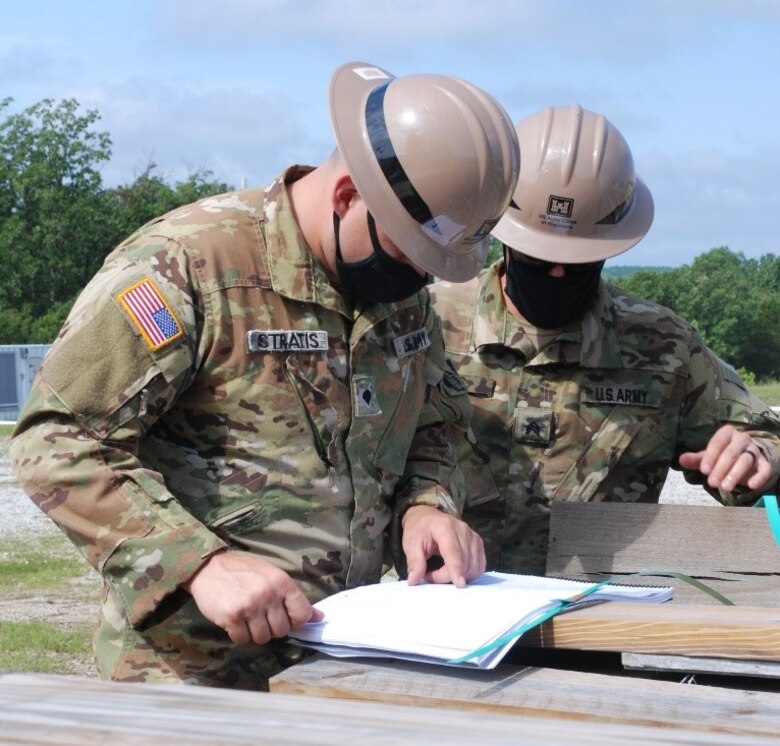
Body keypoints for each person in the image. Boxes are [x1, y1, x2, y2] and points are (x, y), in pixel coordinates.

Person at [10, 61, 519, 688]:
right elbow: (56, 439)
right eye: (412, 256)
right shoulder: (187, 265)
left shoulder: (398, 292)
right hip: (188, 678)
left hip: (340, 667)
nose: (421, 279)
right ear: (346, 197)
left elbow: (434, 424)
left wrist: (426, 508)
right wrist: (199, 566)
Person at [430, 103, 780, 575]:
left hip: (592, 626)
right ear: (501, 232)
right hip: (441, 618)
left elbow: (762, 434)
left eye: (575, 263)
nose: (556, 272)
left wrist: (758, 457)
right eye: (538, 257)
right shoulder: (429, 325)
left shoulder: (663, 346)